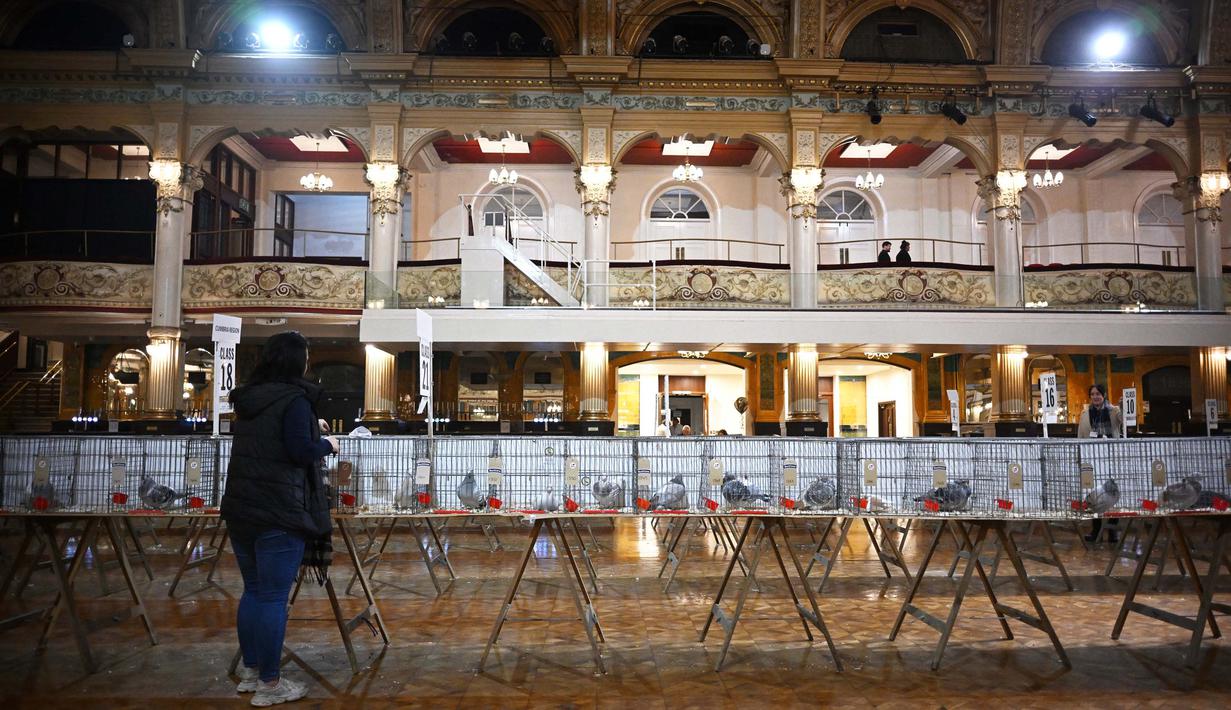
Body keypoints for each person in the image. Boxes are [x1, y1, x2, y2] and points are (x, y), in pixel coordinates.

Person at [221, 332, 338, 706]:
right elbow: (300, 452)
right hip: (279, 510)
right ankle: (271, 686)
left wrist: (309, 427)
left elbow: (272, 438)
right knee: (273, 597)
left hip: (241, 509)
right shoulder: (297, 400)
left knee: (253, 591)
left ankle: (252, 672)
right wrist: (327, 444)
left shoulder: (251, 400)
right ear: (297, 362)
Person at [1078, 383, 1123, 543]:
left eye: (1098, 394)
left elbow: (1124, 420)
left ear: (1104, 395)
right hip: (1093, 459)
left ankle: (1112, 531)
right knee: (1095, 495)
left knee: (1112, 493)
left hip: (1111, 457)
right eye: (1092, 394)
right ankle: (1096, 530)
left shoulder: (1114, 411)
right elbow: (1080, 436)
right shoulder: (1085, 414)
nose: (1095, 397)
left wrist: (1123, 405)